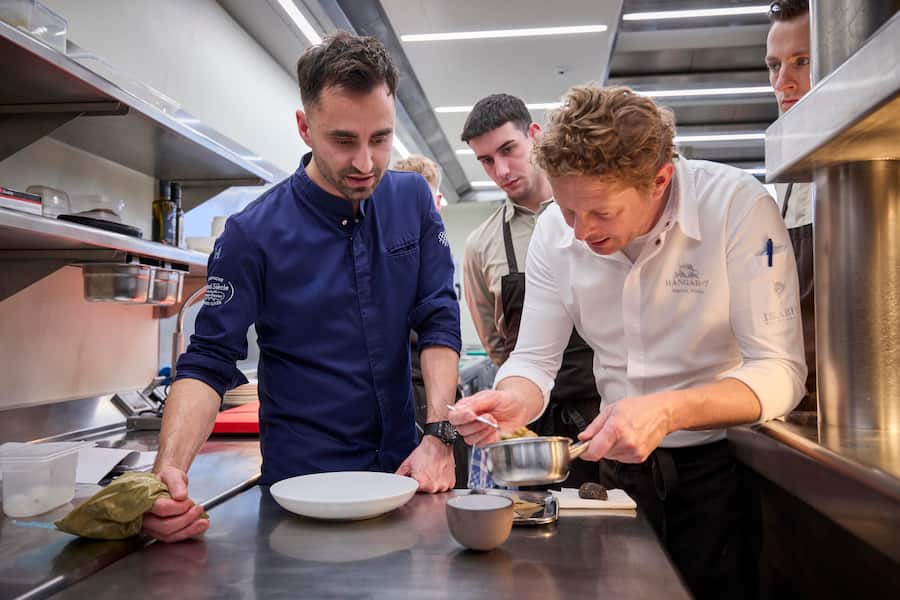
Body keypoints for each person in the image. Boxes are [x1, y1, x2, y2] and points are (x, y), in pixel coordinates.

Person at [449, 84, 806, 599]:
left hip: (722, 470)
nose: (578, 232)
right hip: (614, 478)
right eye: (570, 211)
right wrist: (511, 399)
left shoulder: (735, 205)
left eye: (600, 214)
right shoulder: (556, 231)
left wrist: (667, 410)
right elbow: (534, 360)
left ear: (660, 179)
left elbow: (779, 370)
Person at [144, 31, 462, 544]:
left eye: (380, 138)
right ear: (304, 127)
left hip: (408, 475)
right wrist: (168, 469)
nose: (365, 163)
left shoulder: (413, 202)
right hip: (304, 489)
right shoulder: (253, 234)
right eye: (343, 141)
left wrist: (440, 435)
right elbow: (207, 362)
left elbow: (439, 319)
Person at [460, 94, 602, 488]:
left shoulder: (597, 215)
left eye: (508, 150)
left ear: (535, 137)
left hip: (604, 408)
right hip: (529, 420)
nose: (501, 170)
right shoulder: (481, 244)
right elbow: (494, 339)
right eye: (486, 161)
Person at [766, 0, 816, 411]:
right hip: (802, 401)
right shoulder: (786, 178)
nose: (783, 82)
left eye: (802, 61)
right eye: (774, 65)